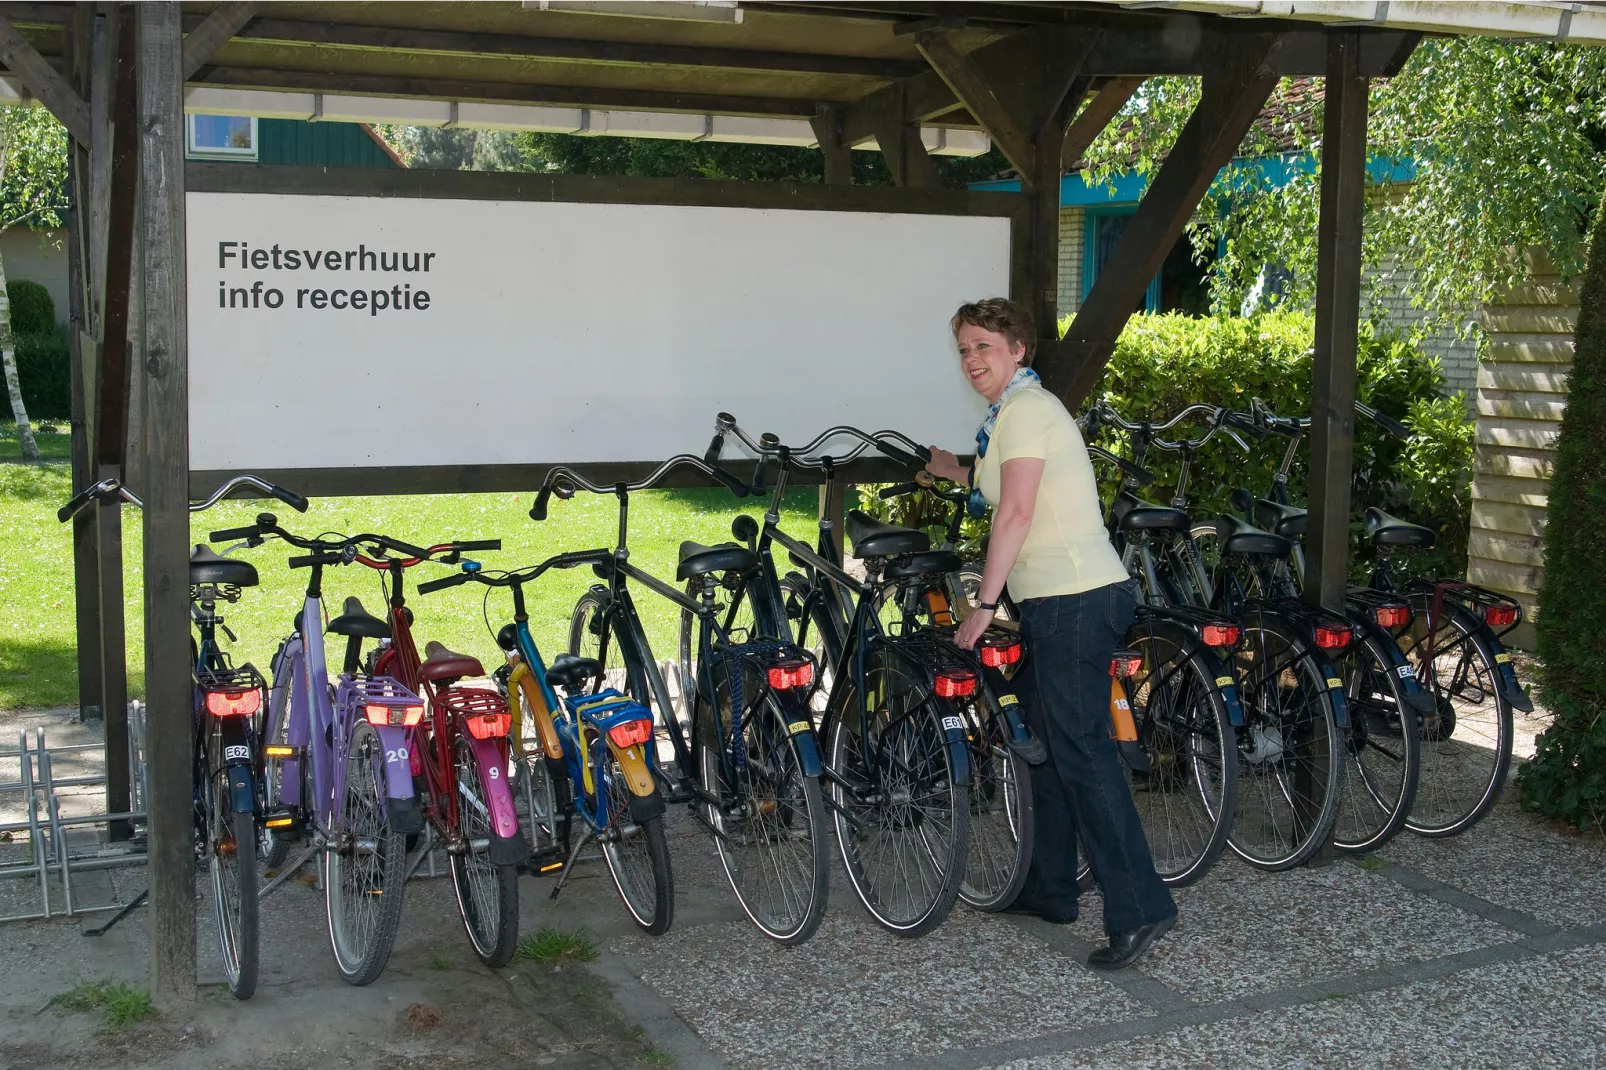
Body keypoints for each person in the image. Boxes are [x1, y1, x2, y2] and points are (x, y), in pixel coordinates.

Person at [925, 297, 1176, 971]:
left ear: (1018, 350)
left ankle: (1142, 907)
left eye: (985, 346)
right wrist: (952, 468)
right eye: (964, 350)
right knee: (1039, 743)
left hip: (1074, 600)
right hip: (1056, 604)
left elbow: (1016, 509)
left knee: (1084, 753)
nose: (973, 359)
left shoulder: (1030, 412)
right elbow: (993, 484)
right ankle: (1048, 889)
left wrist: (982, 603)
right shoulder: (1011, 415)